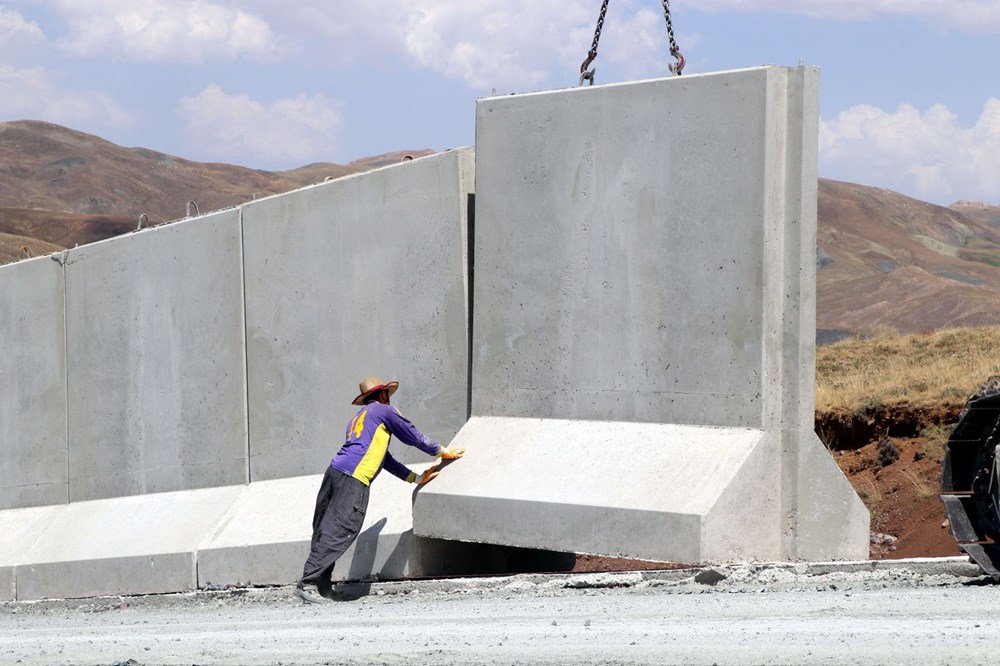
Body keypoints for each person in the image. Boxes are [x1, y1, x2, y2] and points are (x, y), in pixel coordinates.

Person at [293, 376, 465, 603]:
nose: (389, 398)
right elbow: (412, 435)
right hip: (354, 478)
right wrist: (442, 452)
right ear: (382, 394)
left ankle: (323, 587)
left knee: (326, 529)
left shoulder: (360, 418)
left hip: (334, 473)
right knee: (341, 529)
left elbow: (383, 459)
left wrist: (416, 478)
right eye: (388, 394)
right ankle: (308, 584)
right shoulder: (384, 411)